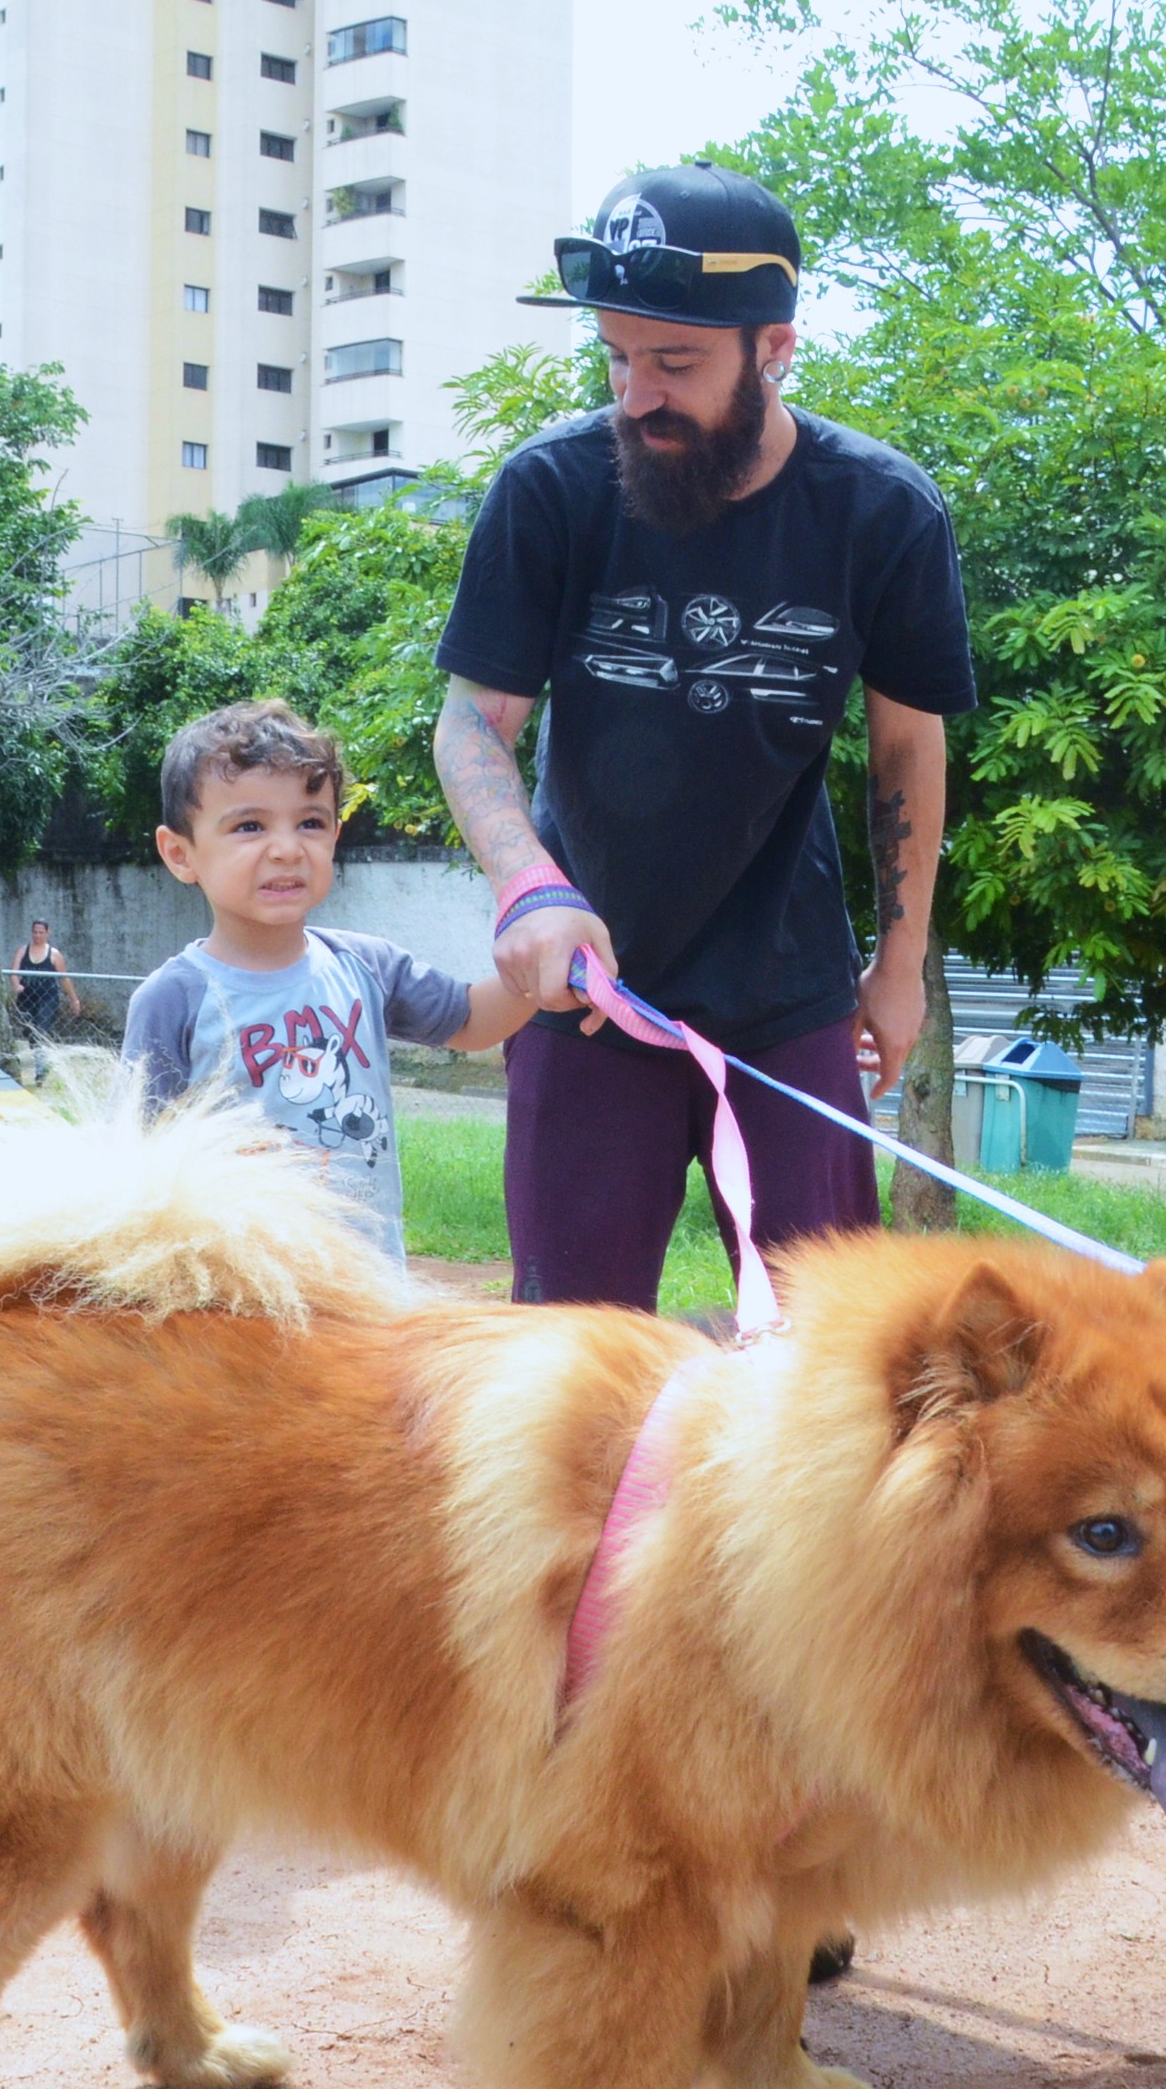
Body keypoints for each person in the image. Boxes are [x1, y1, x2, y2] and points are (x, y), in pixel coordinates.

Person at [432, 163, 972, 1309]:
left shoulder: (883, 513)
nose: (636, 394)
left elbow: (906, 748)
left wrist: (901, 963)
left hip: (789, 1001)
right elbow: (472, 726)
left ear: (773, 348)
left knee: (827, 1358)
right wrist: (527, 883)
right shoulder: (549, 492)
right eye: (617, 357)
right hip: (587, 995)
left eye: (674, 363)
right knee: (563, 1366)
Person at [122, 700, 532, 1263]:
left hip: (370, 1291)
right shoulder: (173, 1002)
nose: (288, 848)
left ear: (335, 836)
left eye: (310, 823)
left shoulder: (364, 965)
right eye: (249, 826)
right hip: (240, 1301)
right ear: (180, 853)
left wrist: (541, 970)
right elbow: (140, 1172)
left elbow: (472, 1021)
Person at [10, 920, 82, 1039]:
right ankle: (35, 1051)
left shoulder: (54, 954)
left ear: (47, 933)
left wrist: (74, 1000)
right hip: (26, 995)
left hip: (47, 996)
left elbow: (64, 979)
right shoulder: (22, 951)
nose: (37, 935)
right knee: (28, 1029)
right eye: (35, 932)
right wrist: (16, 985)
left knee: (41, 1027)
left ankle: (39, 1053)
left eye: (41, 932)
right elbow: (13, 972)